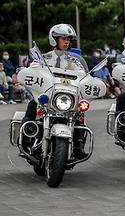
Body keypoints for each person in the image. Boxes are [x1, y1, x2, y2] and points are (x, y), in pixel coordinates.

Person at [23, 24, 89, 157]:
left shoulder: (75, 61)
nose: (66, 42)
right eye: (63, 38)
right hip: (48, 97)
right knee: (32, 104)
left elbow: (85, 76)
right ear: (54, 39)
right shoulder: (43, 59)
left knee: (80, 113)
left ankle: (78, 145)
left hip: (66, 98)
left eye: (68, 39)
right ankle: (27, 137)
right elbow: (32, 72)